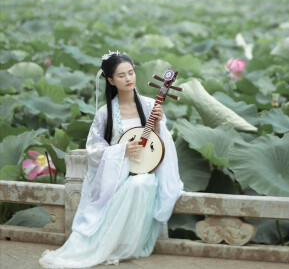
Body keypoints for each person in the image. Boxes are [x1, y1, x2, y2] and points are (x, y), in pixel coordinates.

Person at [39, 51, 183, 268]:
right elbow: (94, 149)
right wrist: (122, 150)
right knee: (134, 184)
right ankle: (105, 245)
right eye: (122, 75)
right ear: (110, 80)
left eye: (131, 73)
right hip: (115, 174)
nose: (129, 79)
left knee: (142, 182)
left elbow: (159, 144)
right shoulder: (104, 113)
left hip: (143, 170)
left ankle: (129, 244)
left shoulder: (149, 105)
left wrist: (157, 124)